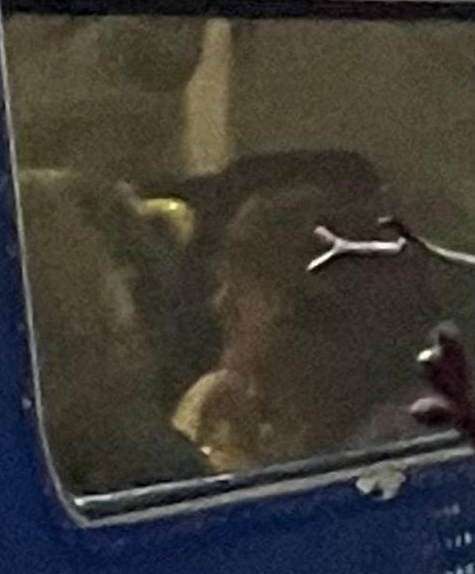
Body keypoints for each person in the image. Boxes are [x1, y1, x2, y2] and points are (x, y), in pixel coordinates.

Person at [167, 151, 438, 475]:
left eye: (240, 284)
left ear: (299, 306)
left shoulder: (400, 451)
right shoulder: (314, 435)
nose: (219, 303)